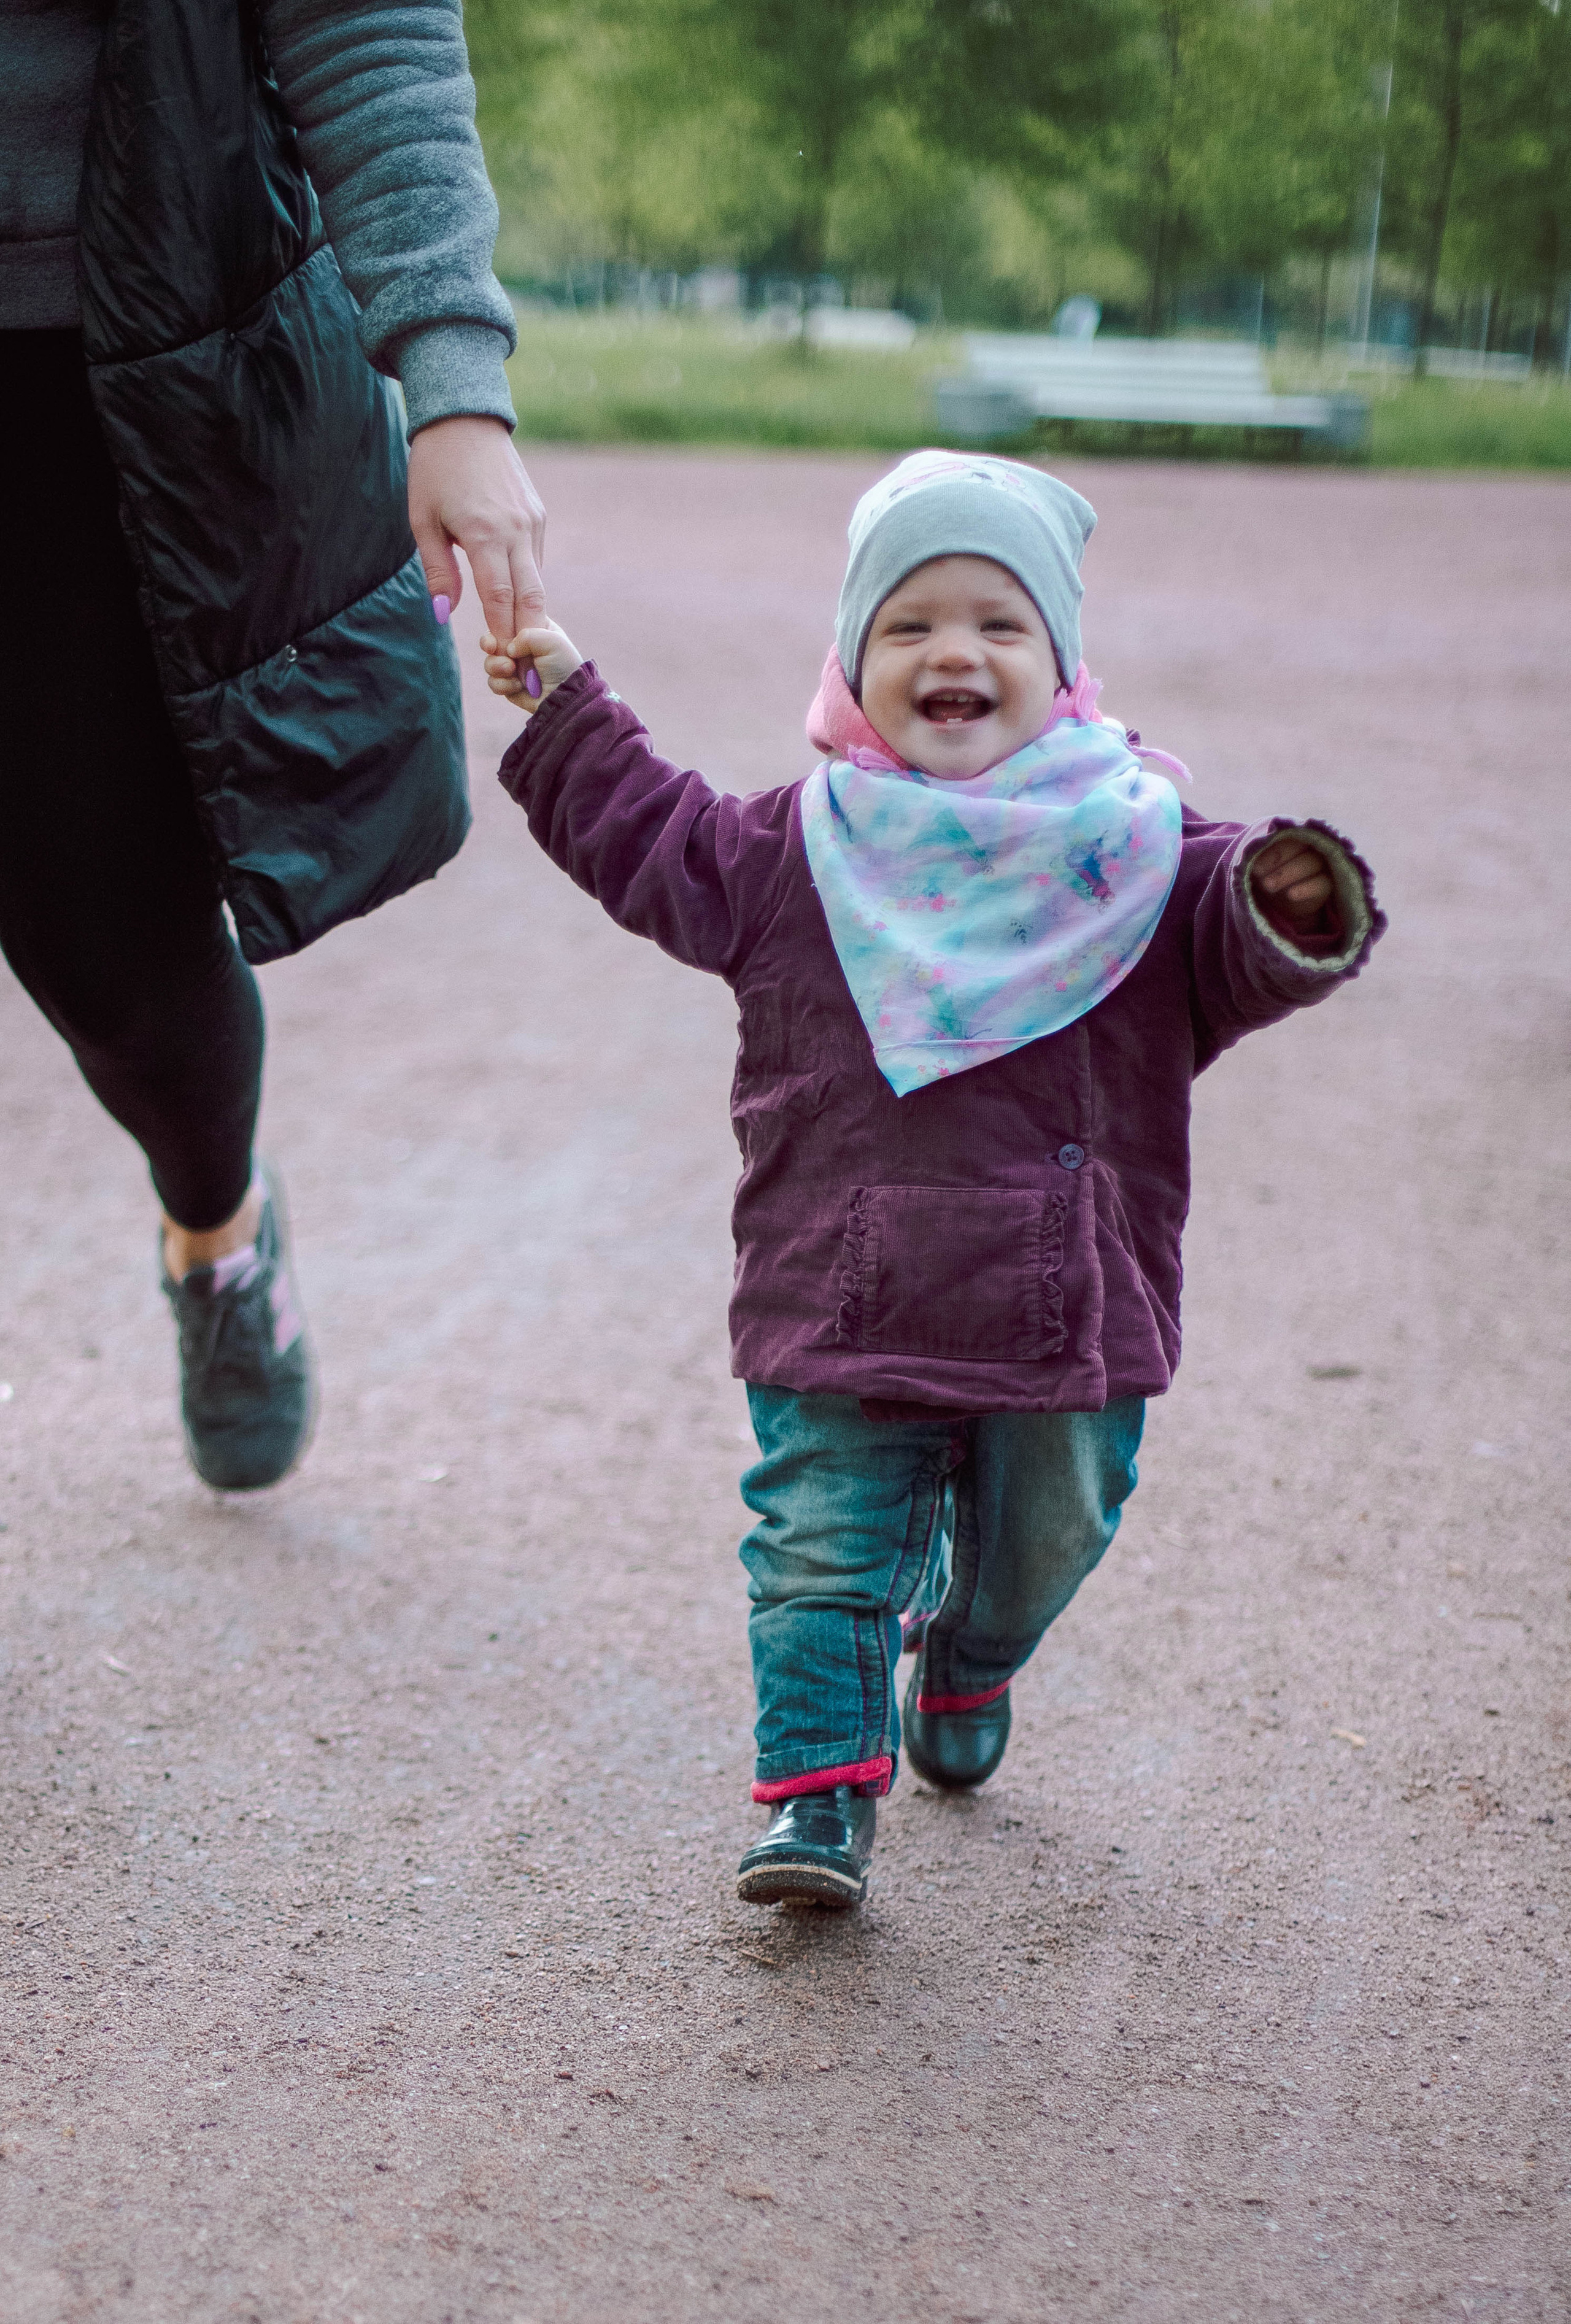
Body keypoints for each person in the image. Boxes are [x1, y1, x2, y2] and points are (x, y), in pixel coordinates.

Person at [481, 450, 1386, 1910]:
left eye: (996, 622)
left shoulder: (1144, 858)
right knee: (820, 1540)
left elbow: (1239, 935)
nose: (950, 650)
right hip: (841, 1283)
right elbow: (652, 833)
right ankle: (818, 1797)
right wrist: (566, 709)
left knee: (1049, 1532)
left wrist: (1281, 899)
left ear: (1061, 666)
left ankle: (968, 1658)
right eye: (905, 624)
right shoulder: (797, 851)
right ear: (850, 663)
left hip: (1066, 1299)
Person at [1, 0, 544, 1489]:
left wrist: (451, 383)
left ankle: (216, 1227)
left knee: (118, 963)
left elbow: (365, 34)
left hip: (99, 360)